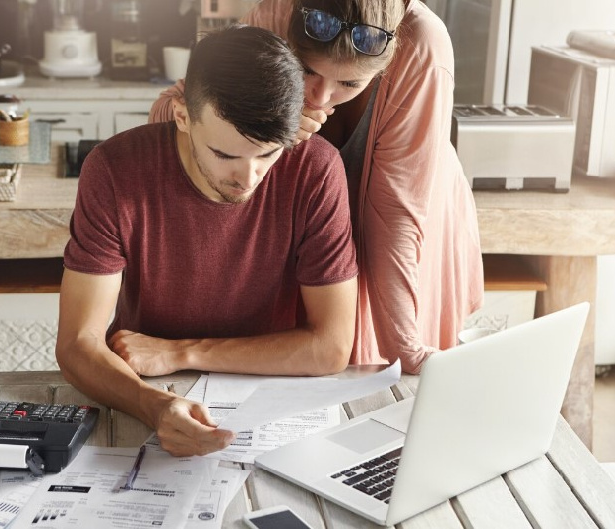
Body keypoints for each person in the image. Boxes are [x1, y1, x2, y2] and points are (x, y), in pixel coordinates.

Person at [56, 25, 359, 457]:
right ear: (182, 115)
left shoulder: (317, 170)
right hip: (147, 390)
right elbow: (76, 344)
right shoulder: (113, 170)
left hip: (271, 404)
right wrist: (155, 406)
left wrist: (181, 352)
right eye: (225, 155)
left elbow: (330, 348)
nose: (248, 178)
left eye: (268, 154)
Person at [150, 0, 485, 375]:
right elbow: (170, 110)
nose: (321, 97)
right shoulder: (276, 16)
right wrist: (271, 121)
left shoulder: (420, 43)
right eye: (307, 70)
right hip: (315, 234)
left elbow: (395, 216)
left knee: (392, 378)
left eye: (350, 83)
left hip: (407, 225)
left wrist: (406, 348)